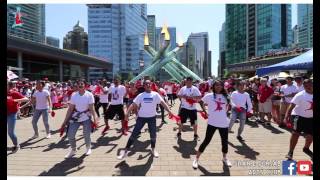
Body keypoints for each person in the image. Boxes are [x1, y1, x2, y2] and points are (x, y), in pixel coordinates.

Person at [117, 80, 174, 160]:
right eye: (146, 84)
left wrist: (169, 111)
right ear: (144, 86)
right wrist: (127, 114)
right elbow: (133, 105)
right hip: (141, 118)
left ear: (151, 85)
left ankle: (153, 150)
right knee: (134, 134)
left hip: (152, 118)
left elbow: (163, 103)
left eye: (149, 83)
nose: (148, 85)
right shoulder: (141, 95)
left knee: (153, 135)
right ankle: (125, 152)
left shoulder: (155, 94)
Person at [193, 80, 232, 168]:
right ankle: (196, 158)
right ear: (213, 86)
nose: (218, 87)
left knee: (224, 142)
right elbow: (201, 101)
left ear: (222, 86)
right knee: (206, 141)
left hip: (223, 123)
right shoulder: (209, 96)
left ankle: (225, 158)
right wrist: (205, 111)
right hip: (212, 122)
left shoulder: (226, 96)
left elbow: (229, 107)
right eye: (216, 85)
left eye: (220, 85)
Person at [60, 81, 99, 158]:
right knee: (70, 134)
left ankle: (88, 148)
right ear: (77, 86)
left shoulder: (89, 95)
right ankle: (73, 149)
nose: (80, 85)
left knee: (86, 134)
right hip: (76, 116)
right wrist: (64, 122)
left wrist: (95, 119)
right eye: (79, 84)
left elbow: (92, 108)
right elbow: (70, 109)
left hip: (86, 116)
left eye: (82, 84)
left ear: (85, 86)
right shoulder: (74, 95)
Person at [284, 79, 313, 160]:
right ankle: (290, 152)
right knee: (296, 134)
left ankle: (306, 149)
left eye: (310, 85)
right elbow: (291, 105)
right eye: (306, 86)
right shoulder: (300, 95)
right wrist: (287, 116)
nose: (308, 87)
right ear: (303, 87)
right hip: (298, 117)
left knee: (310, 136)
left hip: (311, 118)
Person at [7, 81, 29, 153]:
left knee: (10, 132)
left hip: (12, 114)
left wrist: (15, 100)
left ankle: (16, 145)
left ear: (9, 86)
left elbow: (26, 99)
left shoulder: (14, 93)